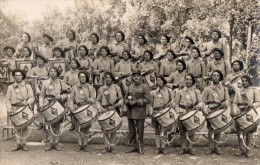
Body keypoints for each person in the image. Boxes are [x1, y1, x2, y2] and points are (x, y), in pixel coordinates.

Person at [39, 66, 70, 151]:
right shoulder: (45, 83)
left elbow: (68, 94)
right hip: (48, 104)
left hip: (58, 104)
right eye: (51, 71)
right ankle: (50, 143)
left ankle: (56, 143)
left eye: (54, 71)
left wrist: (61, 97)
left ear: (57, 73)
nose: (52, 73)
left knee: (57, 125)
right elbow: (42, 95)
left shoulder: (61, 83)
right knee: (50, 124)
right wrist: (41, 104)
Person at [5, 69, 35, 151]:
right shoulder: (10, 87)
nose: (18, 77)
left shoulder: (27, 86)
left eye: (20, 75)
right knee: (17, 127)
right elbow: (7, 99)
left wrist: (28, 102)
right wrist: (9, 108)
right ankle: (18, 144)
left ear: (22, 76)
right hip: (15, 109)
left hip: (24, 109)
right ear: (14, 76)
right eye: (16, 75)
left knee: (24, 126)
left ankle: (24, 143)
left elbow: (32, 97)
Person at [202, 70, 230, 155]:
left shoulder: (224, 88)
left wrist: (226, 103)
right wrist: (205, 110)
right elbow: (202, 101)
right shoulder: (207, 89)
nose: (215, 77)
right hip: (211, 110)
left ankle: (216, 147)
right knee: (210, 129)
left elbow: (228, 99)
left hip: (220, 110)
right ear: (211, 77)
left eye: (217, 75)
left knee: (218, 129)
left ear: (220, 77)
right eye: (214, 75)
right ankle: (210, 147)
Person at [124, 69, 151, 155]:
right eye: (134, 76)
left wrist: (137, 102)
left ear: (141, 77)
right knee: (131, 130)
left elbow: (148, 99)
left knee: (140, 130)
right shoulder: (130, 87)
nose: (136, 77)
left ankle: (140, 147)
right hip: (131, 111)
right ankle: (132, 146)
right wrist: (127, 102)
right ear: (132, 77)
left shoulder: (145, 87)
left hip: (140, 111)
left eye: (137, 76)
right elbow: (125, 98)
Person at [175, 73, 203, 155]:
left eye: (190, 79)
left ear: (192, 80)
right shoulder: (179, 92)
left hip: (192, 112)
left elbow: (201, 102)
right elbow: (176, 103)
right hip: (182, 112)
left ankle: (190, 148)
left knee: (192, 130)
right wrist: (178, 111)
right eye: (187, 79)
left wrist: (198, 106)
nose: (188, 81)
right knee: (182, 131)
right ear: (184, 80)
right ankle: (183, 148)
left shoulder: (196, 91)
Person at [232, 75, 260, 158]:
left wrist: (253, 105)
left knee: (249, 132)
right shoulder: (238, 91)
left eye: (246, 81)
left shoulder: (254, 90)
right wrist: (235, 110)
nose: (244, 82)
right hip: (240, 113)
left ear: (249, 81)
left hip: (250, 112)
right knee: (240, 132)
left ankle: (248, 150)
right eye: (243, 81)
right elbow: (234, 103)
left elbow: (258, 102)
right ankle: (241, 149)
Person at [96, 72, 124, 154]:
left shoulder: (116, 87)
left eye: (109, 77)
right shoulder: (101, 89)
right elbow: (97, 100)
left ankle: (112, 147)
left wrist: (117, 105)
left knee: (113, 130)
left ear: (112, 79)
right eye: (106, 77)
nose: (108, 79)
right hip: (105, 110)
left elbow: (121, 99)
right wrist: (99, 108)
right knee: (105, 130)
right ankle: (106, 147)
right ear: (104, 79)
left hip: (114, 110)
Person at [69, 70, 96, 152]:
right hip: (78, 109)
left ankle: (85, 145)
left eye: (84, 77)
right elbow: (71, 99)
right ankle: (79, 145)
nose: (82, 78)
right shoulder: (74, 87)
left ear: (86, 77)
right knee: (79, 128)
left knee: (86, 128)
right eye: (80, 77)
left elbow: (93, 98)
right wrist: (72, 107)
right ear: (78, 78)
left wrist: (90, 100)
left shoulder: (90, 87)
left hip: (86, 109)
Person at [148, 76, 174, 155]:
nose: (159, 82)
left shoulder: (169, 90)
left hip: (165, 111)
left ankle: (163, 147)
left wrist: (171, 103)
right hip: (156, 112)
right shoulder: (153, 92)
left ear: (164, 81)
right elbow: (150, 103)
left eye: (161, 80)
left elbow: (173, 100)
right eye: (158, 80)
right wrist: (150, 111)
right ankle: (157, 147)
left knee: (164, 130)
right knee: (156, 130)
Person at [28, 53, 49, 130]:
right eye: (38, 60)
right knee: (39, 106)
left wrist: (45, 79)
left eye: (41, 60)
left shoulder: (48, 69)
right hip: (37, 89)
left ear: (44, 61)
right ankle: (40, 122)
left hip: (46, 89)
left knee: (46, 105)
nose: (39, 61)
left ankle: (48, 121)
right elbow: (29, 78)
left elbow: (52, 78)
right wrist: (35, 79)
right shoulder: (33, 69)